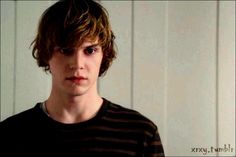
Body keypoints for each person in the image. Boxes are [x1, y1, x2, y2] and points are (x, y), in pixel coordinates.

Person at [0, 0, 165, 156]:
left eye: (90, 50)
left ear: (104, 54)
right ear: (46, 53)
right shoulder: (9, 134)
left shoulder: (141, 134)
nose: (77, 64)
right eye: (65, 50)